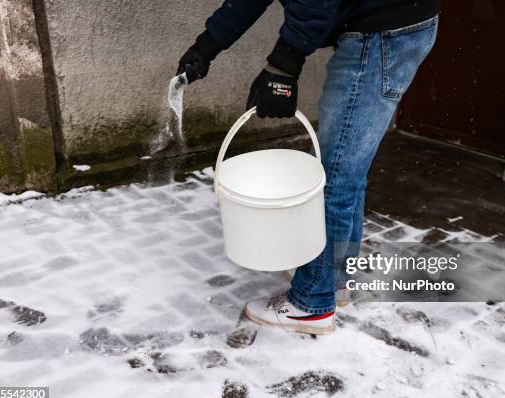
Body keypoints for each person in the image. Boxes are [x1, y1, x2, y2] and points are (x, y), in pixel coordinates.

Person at [178, 0, 440, 335]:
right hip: (389, 26)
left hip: (381, 33)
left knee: (334, 178)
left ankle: (311, 304)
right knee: (346, 172)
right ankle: (334, 278)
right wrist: (207, 46)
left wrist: (284, 64)